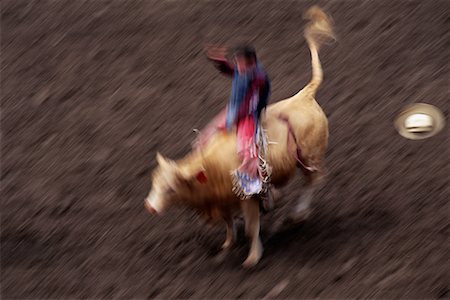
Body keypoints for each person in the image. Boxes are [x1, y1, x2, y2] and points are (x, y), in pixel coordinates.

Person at [202, 44, 272, 208]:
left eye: (241, 64)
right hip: (235, 109)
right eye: (237, 63)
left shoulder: (258, 79)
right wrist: (221, 63)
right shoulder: (244, 71)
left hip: (248, 115)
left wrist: (229, 121)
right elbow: (233, 73)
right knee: (205, 137)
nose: (238, 67)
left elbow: (249, 105)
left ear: (252, 63)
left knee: (247, 153)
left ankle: (263, 190)